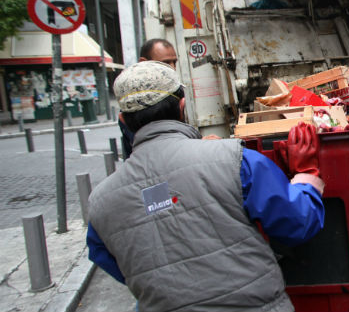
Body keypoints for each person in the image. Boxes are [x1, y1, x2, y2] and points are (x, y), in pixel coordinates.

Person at [87, 61, 325, 312]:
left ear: (123, 120)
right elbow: (298, 222)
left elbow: (120, 265)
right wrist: (306, 173)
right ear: (182, 106)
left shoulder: (101, 203)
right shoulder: (234, 160)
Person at [119, 39, 179, 157]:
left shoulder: (174, 92)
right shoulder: (133, 103)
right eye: (165, 63)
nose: (172, 68)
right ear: (143, 62)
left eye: (174, 62)